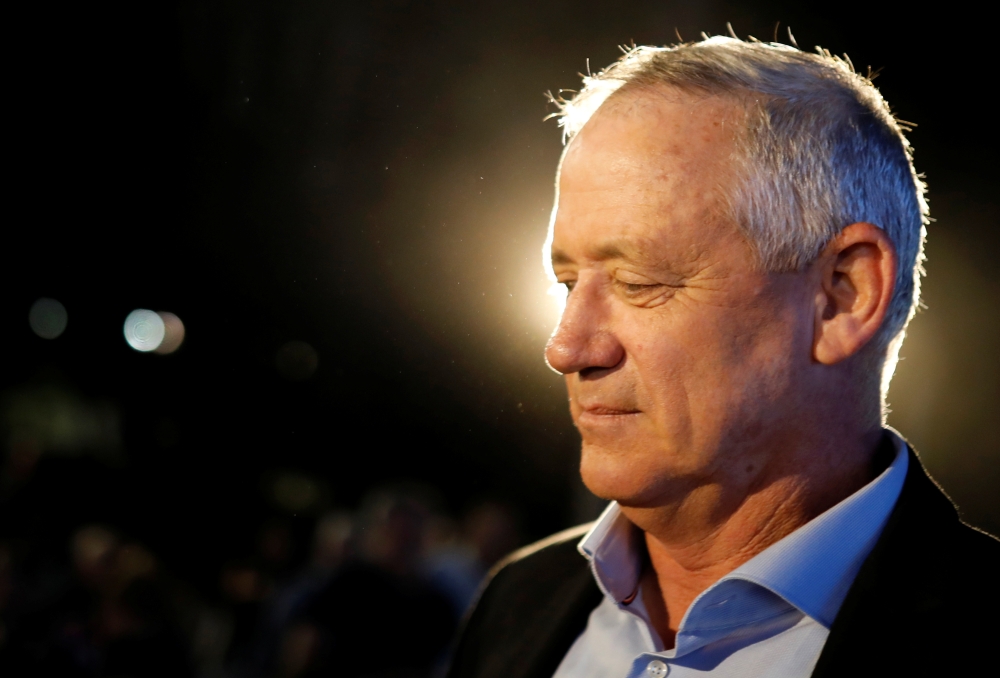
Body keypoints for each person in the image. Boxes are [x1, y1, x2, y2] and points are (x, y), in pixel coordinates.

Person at [446, 36, 1000, 678]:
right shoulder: (517, 601)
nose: (566, 347)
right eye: (568, 285)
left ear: (843, 296)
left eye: (640, 282)